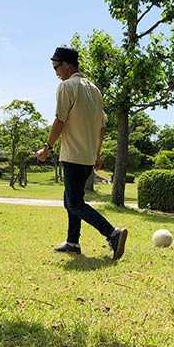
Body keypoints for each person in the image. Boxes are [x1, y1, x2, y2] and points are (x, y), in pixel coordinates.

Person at [36, 46, 128, 260]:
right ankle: (72, 242)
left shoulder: (67, 87)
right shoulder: (94, 89)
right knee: (71, 198)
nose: (56, 73)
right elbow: (102, 125)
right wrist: (96, 153)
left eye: (56, 67)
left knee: (74, 202)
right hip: (87, 156)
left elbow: (60, 120)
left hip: (73, 154)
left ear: (66, 64)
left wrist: (47, 147)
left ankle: (112, 233)